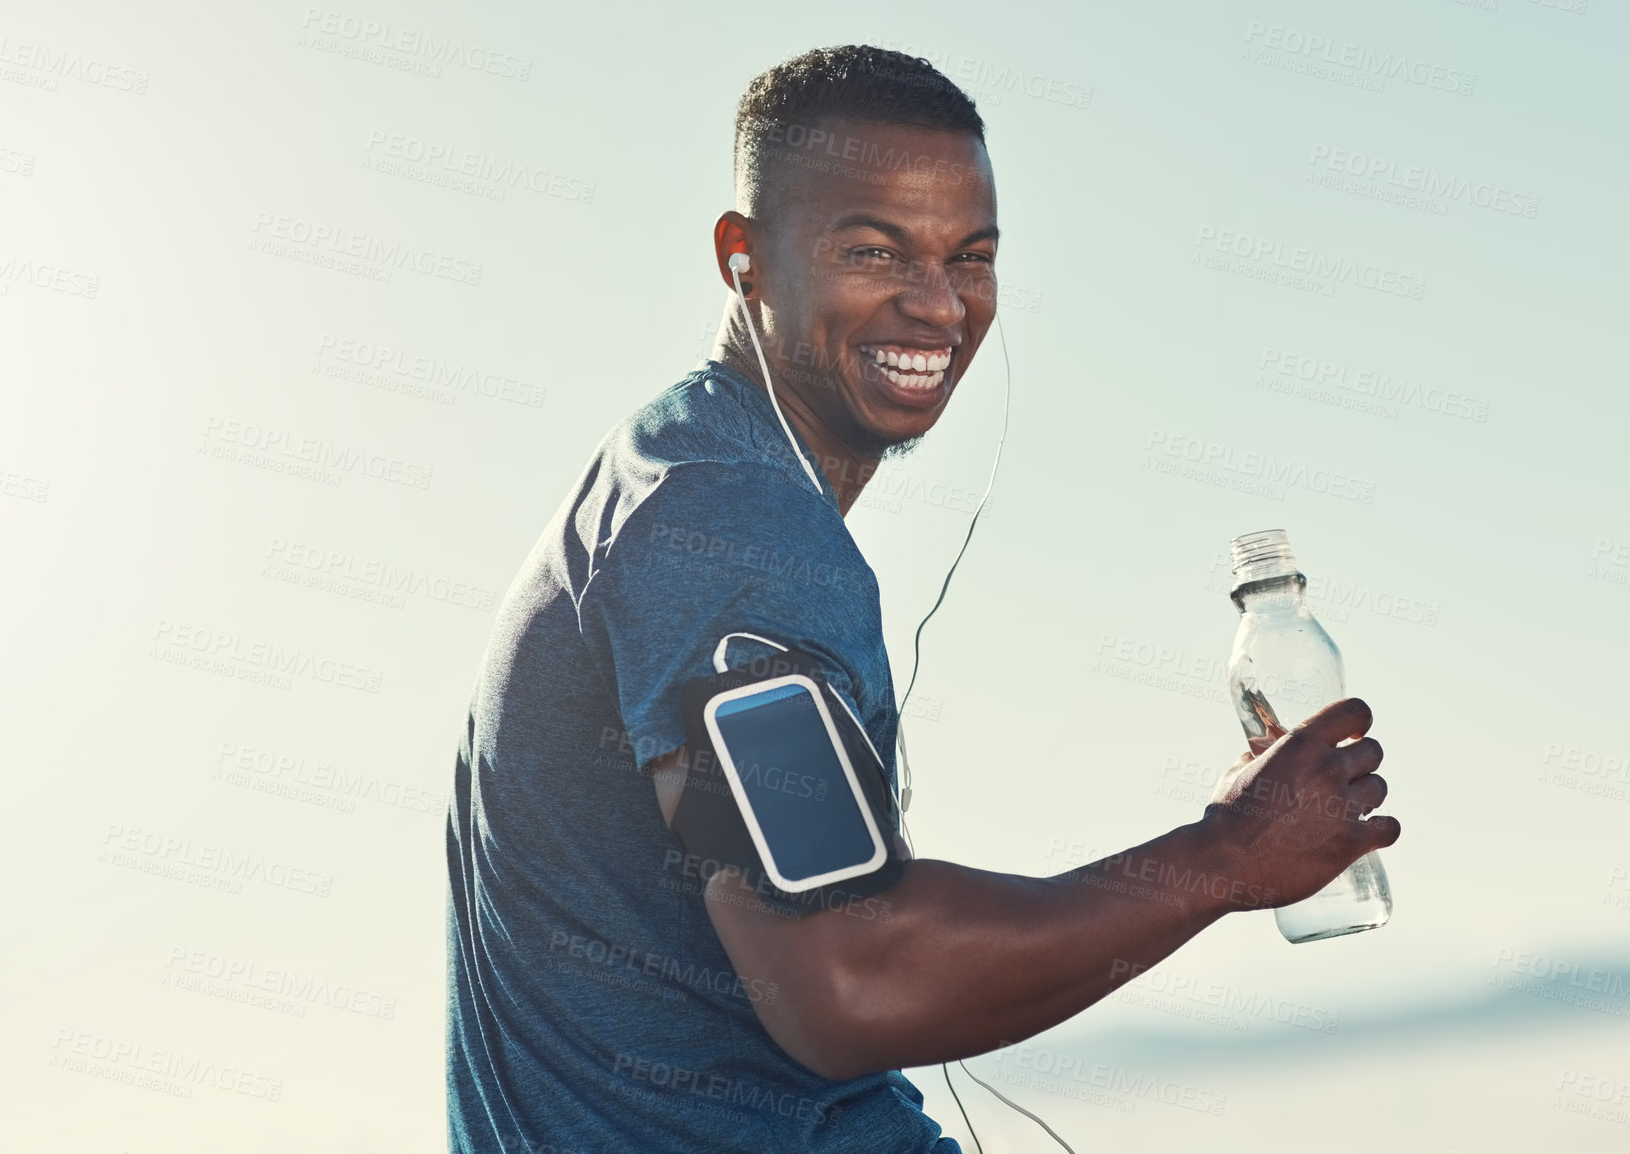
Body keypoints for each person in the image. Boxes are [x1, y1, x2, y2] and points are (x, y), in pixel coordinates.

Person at [445, 44, 1401, 1153]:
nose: (939, 306)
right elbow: (848, 972)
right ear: (741, 257)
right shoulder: (728, 530)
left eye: (971, 257)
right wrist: (1229, 854)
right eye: (872, 249)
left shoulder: (678, 476)